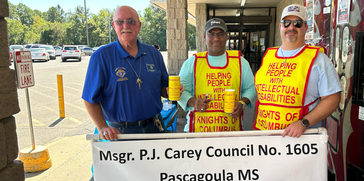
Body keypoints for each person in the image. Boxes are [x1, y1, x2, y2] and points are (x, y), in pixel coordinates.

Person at [82, 6, 181, 141]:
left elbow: (163, 88)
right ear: (113, 26)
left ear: (139, 25)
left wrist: (171, 91)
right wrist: (102, 127)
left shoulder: (154, 54)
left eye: (131, 21)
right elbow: (89, 99)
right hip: (120, 133)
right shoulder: (101, 57)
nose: (126, 26)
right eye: (120, 22)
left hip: (154, 127)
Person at [253, 4, 341, 137]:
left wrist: (304, 122)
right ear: (280, 27)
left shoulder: (319, 59)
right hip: (266, 137)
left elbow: (333, 98)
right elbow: (262, 99)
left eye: (297, 23)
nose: (291, 27)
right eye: (286, 23)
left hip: (299, 142)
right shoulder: (269, 56)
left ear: (306, 27)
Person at [178, 18, 257, 133]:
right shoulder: (192, 62)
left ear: (226, 36)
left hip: (230, 130)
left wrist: (242, 104)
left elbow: (251, 89)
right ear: (204, 36)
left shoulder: (240, 62)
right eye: (211, 34)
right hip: (198, 131)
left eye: (220, 34)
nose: (216, 38)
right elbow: (180, 91)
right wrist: (194, 102)